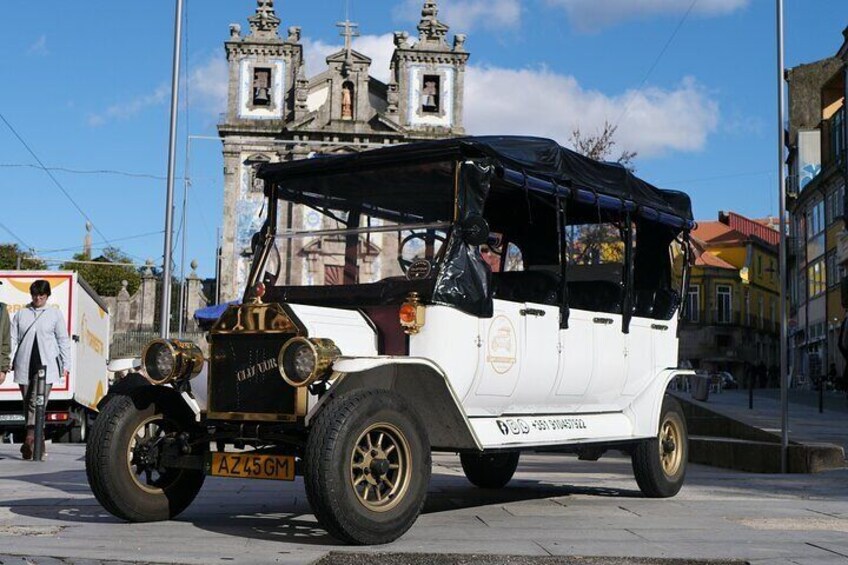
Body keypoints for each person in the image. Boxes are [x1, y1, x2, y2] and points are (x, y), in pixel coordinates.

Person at [10, 280, 70, 460]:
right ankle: (39, 440)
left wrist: (66, 365)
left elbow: (63, 339)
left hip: (46, 366)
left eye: (41, 296)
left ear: (47, 296)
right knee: (28, 401)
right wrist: (7, 361)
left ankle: (29, 439)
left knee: (38, 403)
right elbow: (13, 338)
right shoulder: (22, 314)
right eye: (35, 295)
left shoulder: (54, 314)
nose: (37, 299)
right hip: (24, 364)